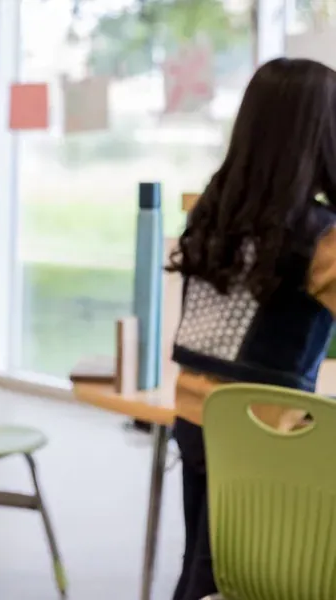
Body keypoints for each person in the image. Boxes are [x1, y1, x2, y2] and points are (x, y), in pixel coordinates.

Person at [166, 57, 336, 600]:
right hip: (273, 439)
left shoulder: (213, 214)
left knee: (209, 564)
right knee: (252, 574)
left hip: (197, 419)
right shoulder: (321, 238)